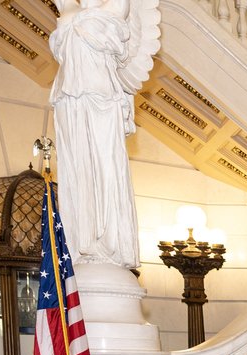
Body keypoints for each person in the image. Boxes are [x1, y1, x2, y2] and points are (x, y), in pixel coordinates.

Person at [49, 0, 156, 268]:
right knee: (77, 171)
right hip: (69, 101)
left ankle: (107, 243)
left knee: (104, 169)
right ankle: (80, 242)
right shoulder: (69, 9)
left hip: (101, 98)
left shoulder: (116, 5)